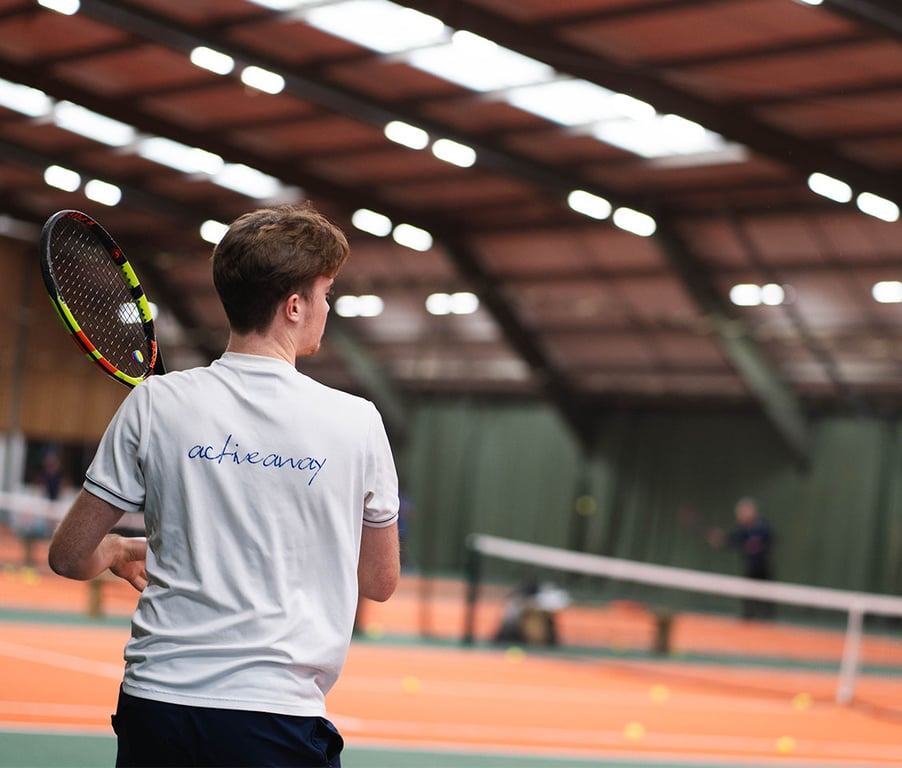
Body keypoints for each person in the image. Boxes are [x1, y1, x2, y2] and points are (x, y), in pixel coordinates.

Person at [48, 203, 400, 767]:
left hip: (157, 709)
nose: (327, 308)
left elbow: (68, 556)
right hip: (277, 718)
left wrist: (115, 550)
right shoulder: (357, 421)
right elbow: (379, 582)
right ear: (293, 305)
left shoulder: (155, 403)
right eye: (325, 293)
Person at [709, 497, 775, 620]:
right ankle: (748, 621)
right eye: (740, 513)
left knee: (766, 599)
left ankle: (768, 622)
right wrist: (720, 539)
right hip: (749, 568)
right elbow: (729, 540)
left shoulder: (763, 527)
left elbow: (765, 541)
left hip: (763, 569)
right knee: (748, 600)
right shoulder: (742, 531)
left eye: (744, 512)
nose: (741, 516)